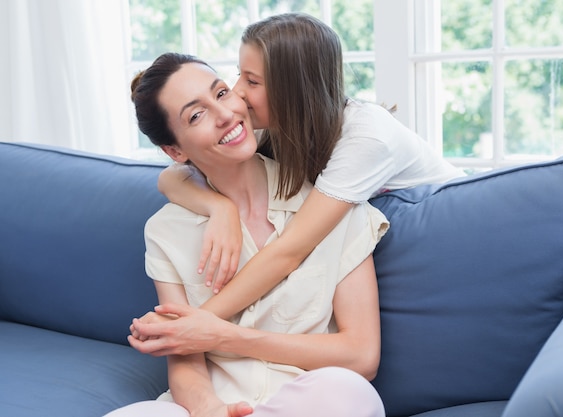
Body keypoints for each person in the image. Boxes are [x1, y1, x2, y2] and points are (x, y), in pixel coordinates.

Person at [106, 52, 388, 417]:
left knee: (349, 393)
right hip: (213, 404)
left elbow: (362, 356)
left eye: (221, 93)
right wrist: (210, 410)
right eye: (196, 115)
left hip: (307, 400)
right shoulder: (167, 231)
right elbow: (185, 359)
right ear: (174, 150)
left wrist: (225, 336)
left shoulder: (330, 205)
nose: (225, 115)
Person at [155, 12, 466, 321]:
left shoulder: (368, 136)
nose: (237, 91)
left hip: (449, 233)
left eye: (252, 81)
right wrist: (219, 208)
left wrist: (194, 325)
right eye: (239, 74)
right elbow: (172, 177)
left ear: (294, 91)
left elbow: (289, 251)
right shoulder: (276, 126)